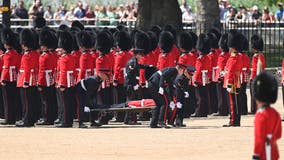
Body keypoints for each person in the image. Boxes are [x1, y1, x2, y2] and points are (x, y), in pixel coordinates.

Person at [148, 63, 188, 128]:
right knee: (165, 103)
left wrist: (172, 100)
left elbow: (170, 86)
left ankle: (153, 123)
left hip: (153, 84)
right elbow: (163, 76)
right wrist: (160, 86)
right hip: (156, 84)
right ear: (179, 69)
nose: (183, 72)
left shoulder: (174, 74)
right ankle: (161, 122)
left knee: (159, 104)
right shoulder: (174, 70)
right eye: (183, 70)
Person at [252, 72, 282, 160]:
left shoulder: (260, 115)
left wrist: (256, 155)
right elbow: (278, 134)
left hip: (263, 153)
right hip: (274, 150)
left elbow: (259, 138)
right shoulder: (275, 113)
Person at [16, 29, 40, 127]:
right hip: (33, 80)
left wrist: (25, 81)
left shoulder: (27, 55)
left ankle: (26, 120)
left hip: (26, 80)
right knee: (31, 101)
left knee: (26, 102)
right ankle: (31, 119)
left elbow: (26, 69)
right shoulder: (35, 54)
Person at [0, 28, 22, 125]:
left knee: (7, 100)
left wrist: (3, 78)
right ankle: (16, 116)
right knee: (14, 98)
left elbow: (6, 68)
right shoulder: (16, 53)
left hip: (8, 78)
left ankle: (9, 118)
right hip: (15, 77)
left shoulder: (8, 55)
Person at [36, 28, 58, 125]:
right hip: (53, 79)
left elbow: (42, 71)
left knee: (45, 101)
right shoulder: (55, 55)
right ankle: (52, 117)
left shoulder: (43, 57)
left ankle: (47, 119)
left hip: (45, 80)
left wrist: (39, 83)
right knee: (52, 100)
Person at [55, 30, 76, 128]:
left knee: (64, 103)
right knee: (69, 102)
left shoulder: (64, 58)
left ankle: (65, 121)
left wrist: (61, 84)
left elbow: (63, 72)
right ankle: (68, 120)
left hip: (65, 82)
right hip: (70, 82)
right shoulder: (70, 57)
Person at [223, 30, 243, 127]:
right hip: (236, 81)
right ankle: (236, 119)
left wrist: (228, 83)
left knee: (232, 101)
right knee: (236, 101)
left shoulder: (233, 58)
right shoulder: (238, 57)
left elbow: (230, 72)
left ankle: (233, 120)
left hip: (232, 82)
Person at [192, 33, 211, 117]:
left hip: (200, 79)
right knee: (205, 95)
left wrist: (195, 79)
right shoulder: (207, 57)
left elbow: (198, 70)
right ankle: (205, 111)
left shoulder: (200, 58)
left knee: (199, 96)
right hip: (205, 78)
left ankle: (199, 112)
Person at [250, 35, 266, 114]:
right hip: (254, 77)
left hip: (256, 77)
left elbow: (259, 68)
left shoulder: (257, 56)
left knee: (255, 94)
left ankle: (255, 109)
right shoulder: (260, 55)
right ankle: (254, 108)